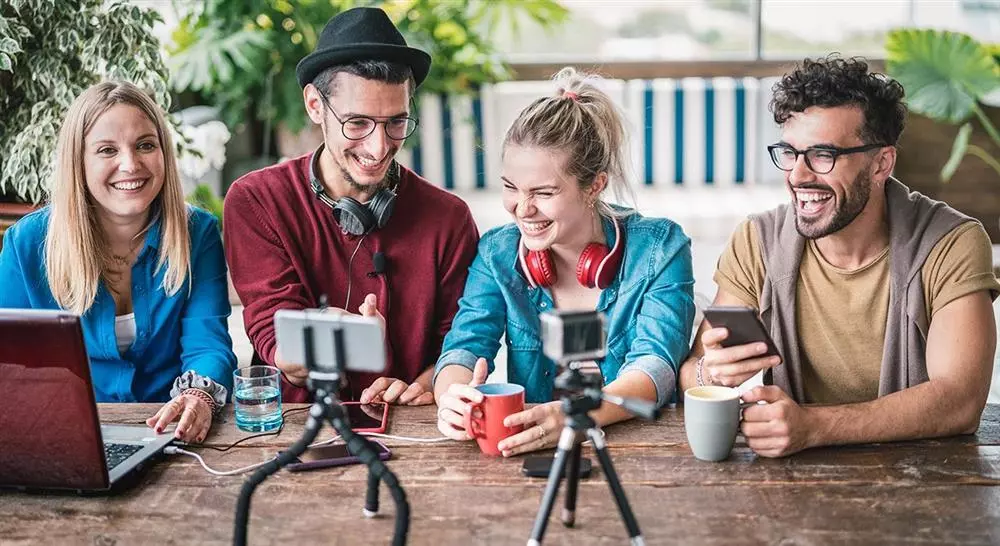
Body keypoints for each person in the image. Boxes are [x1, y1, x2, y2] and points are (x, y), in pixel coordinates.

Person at [679, 56, 1000, 457]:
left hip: (920, 482)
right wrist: (713, 373)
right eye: (790, 153)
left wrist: (813, 426)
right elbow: (691, 373)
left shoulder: (950, 243)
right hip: (788, 486)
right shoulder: (757, 240)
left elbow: (960, 402)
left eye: (823, 155)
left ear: (881, 162)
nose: (798, 176)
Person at [433, 68, 696, 457]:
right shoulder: (497, 252)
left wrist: (576, 416)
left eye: (543, 192)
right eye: (510, 187)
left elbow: (655, 367)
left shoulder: (661, 247)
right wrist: (451, 396)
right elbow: (464, 347)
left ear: (595, 185)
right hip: (527, 453)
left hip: (637, 451)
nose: (522, 209)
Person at [224, 7, 478, 405]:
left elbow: (461, 341)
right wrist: (333, 338)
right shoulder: (257, 200)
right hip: (297, 430)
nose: (379, 147)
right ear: (314, 105)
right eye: (357, 123)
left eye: (397, 122)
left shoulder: (450, 218)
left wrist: (426, 387)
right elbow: (272, 334)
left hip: (410, 434)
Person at [0, 81, 236, 444]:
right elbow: (12, 366)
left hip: (170, 433)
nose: (130, 164)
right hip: (65, 435)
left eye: (145, 145)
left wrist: (199, 395)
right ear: (78, 163)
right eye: (107, 150)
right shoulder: (27, 245)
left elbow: (208, 343)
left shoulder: (197, 234)